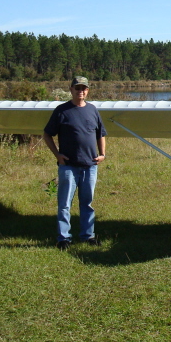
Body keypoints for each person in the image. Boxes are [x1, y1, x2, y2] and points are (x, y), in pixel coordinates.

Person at [43, 76, 107, 250]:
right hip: (68, 166)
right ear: (71, 89)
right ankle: (63, 238)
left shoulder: (93, 110)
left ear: (87, 91)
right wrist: (58, 155)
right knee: (64, 203)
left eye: (84, 88)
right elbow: (47, 134)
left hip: (90, 165)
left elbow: (100, 133)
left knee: (87, 203)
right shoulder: (62, 110)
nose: (81, 91)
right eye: (77, 88)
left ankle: (88, 236)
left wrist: (102, 154)